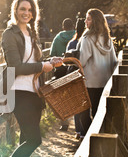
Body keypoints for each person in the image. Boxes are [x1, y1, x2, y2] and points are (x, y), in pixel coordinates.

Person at [0, 0, 62, 157]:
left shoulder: (32, 33)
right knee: (34, 139)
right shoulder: (9, 34)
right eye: (22, 9)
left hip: (34, 93)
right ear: (15, 10)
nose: (26, 13)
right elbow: (16, 66)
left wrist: (51, 61)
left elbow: (33, 61)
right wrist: (42, 65)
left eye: (30, 10)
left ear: (34, 13)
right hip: (17, 92)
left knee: (26, 139)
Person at [77, 9, 117, 138]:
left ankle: (91, 137)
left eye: (88, 19)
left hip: (90, 82)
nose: (85, 22)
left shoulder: (87, 39)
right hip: (105, 81)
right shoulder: (107, 39)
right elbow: (114, 61)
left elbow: (82, 61)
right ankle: (98, 138)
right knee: (99, 112)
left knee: (83, 112)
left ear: (94, 21)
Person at [50, 18, 76, 131]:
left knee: (62, 96)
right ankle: (78, 121)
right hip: (73, 69)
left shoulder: (58, 38)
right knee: (75, 94)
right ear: (73, 26)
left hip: (60, 70)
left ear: (63, 27)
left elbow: (52, 54)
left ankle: (64, 122)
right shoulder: (78, 36)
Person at [65, 18, 86, 139]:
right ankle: (83, 130)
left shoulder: (72, 43)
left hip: (72, 75)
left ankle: (78, 130)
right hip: (84, 75)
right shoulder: (86, 42)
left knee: (76, 103)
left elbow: (67, 60)